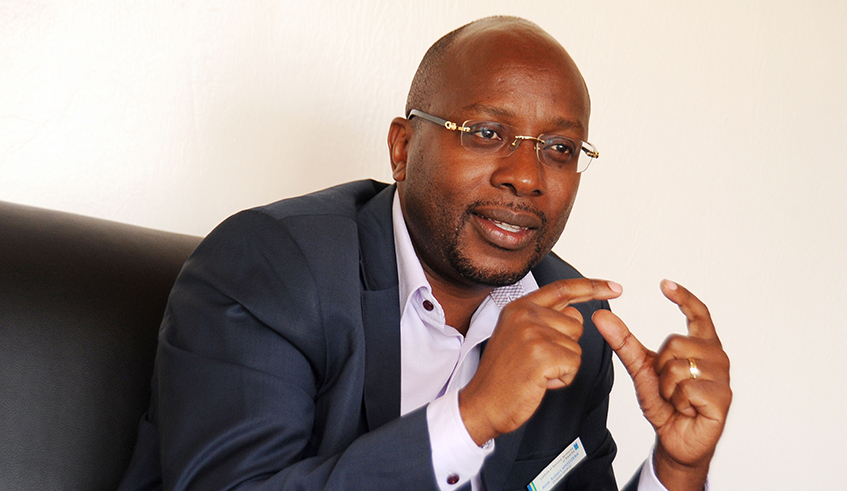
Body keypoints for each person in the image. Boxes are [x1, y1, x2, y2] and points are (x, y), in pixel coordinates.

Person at [119, 15, 731, 491]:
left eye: (560, 148)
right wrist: (471, 417)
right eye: (487, 134)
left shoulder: (578, 325)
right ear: (403, 148)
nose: (526, 176)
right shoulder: (272, 265)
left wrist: (678, 467)